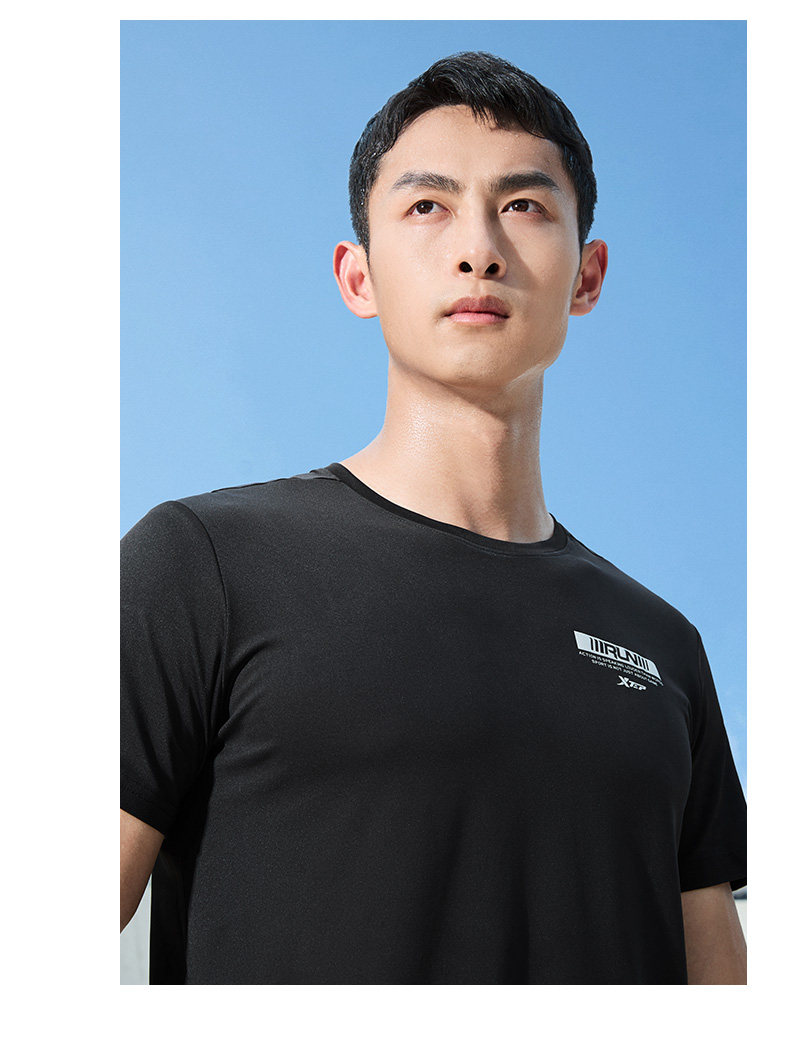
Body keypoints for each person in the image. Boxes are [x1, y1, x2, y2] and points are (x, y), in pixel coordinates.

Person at [121, 51, 747, 984]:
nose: (478, 249)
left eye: (524, 205)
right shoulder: (200, 566)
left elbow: (721, 991)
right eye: (427, 206)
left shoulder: (666, 649)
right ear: (359, 278)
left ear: (587, 276)